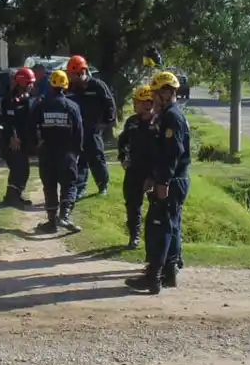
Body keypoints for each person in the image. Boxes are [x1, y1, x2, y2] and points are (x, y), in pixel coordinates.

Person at [127, 71, 190, 295]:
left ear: (166, 92)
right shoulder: (167, 114)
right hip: (172, 178)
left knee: (158, 226)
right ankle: (169, 273)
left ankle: (153, 276)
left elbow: (173, 152)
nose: (152, 98)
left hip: (172, 180)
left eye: (155, 93)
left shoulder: (172, 116)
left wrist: (162, 180)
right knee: (170, 226)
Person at [31, 68, 83, 234]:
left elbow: (31, 126)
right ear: (66, 86)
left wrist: (35, 146)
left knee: (49, 186)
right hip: (66, 153)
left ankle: (52, 222)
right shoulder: (73, 106)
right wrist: (77, 151)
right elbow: (79, 131)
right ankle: (65, 215)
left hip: (47, 152)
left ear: (50, 85)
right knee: (69, 184)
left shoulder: (41, 105)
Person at [66, 55, 116, 200]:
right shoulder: (70, 88)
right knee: (79, 159)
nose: (71, 78)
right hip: (76, 130)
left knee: (96, 157)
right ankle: (80, 188)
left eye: (73, 75)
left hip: (93, 129)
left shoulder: (98, 86)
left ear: (82, 72)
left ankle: (103, 186)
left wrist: (106, 122)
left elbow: (110, 105)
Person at [117, 85, 159, 250]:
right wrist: (123, 157)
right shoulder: (132, 122)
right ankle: (134, 237)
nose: (137, 105)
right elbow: (123, 142)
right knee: (132, 205)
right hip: (134, 170)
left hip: (153, 172)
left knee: (156, 207)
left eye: (140, 102)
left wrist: (155, 175)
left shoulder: (159, 122)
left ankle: (155, 241)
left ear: (149, 103)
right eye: (136, 102)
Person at [0, 66, 36, 207]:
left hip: (24, 139)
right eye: (28, 82)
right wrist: (13, 137)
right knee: (19, 168)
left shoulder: (30, 98)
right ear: (20, 82)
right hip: (12, 140)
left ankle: (14, 195)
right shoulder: (10, 100)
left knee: (22, 168)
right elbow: (8, 121)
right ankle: (12, 197)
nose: (31, 85)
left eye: (32, 82)